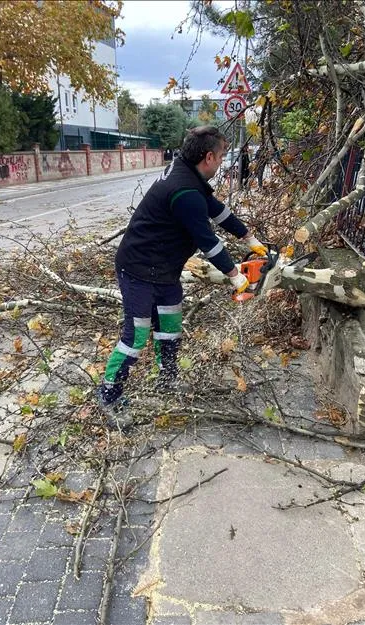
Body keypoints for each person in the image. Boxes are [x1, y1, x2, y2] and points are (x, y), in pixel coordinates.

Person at [97, 126, 267, 429]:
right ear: (209, 156)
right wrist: (234, 276)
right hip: (138, 269)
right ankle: (109, 395)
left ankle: (167, 379)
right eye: (222, 157)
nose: (222, 163)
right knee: (136, 336)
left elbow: (218, 211)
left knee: (170, 326)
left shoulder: (188, 173)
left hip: (164, 269)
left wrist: (250, 238)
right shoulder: (184, 189)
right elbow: (208, 240)